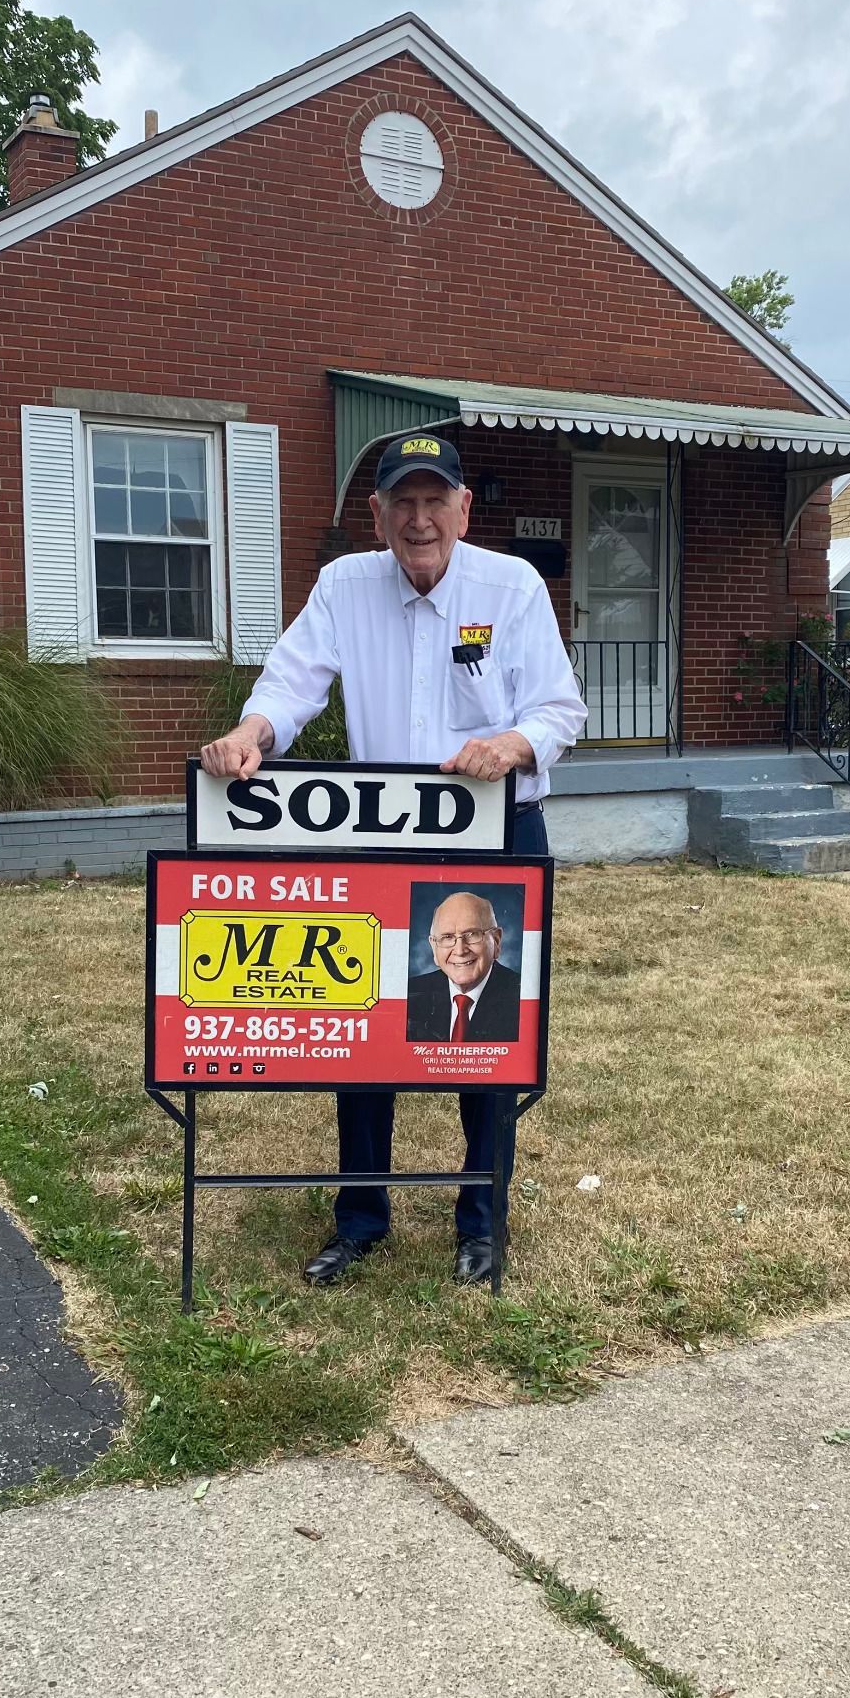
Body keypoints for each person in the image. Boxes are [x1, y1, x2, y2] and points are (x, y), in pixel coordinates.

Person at [200, 430, 586, 1285]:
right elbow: (292, 682)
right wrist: (251, 734)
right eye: (401, 504)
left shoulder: (511, 586)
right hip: (381, 838)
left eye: (434, 501)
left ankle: (482, 1224)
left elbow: (561, 707)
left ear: (463, 509)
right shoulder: (345, 584)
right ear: (376, 515)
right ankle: (362, 1216)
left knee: (486, 1040)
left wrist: (512, 743)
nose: (420, 521)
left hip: (497, 833)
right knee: (362, 1030)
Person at [406, 891, 521, 1044]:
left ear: (496, 941)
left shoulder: (523, 997)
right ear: (434, 947)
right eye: (447, 937)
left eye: (472, 934)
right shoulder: (410, 994)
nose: (460, 950)